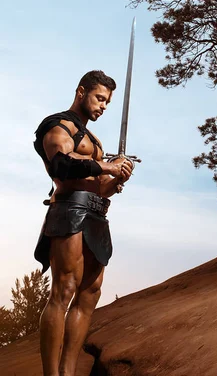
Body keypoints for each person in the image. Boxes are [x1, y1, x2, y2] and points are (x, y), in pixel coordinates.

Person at [33, 70, 133, 376]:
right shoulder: (58, 125)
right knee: (64, 290)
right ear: (81, 92)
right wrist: (106, 165)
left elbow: (96, 184)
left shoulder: (95, 140)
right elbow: (61, 166)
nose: (103, 106)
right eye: (99, 98)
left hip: (97, 214)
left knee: (91, 292)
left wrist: (116, 179)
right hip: (70, 210)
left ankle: (68, 372)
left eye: (107, 102)